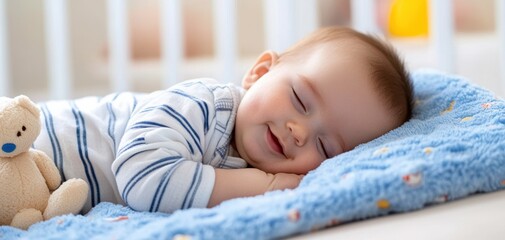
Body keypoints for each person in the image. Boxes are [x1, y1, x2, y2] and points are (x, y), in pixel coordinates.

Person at [33, 27, 413, 213]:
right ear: (260, 72)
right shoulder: (204, 105)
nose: (299, 132)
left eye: (325, 146)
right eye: (299, 98)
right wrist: (264, 185)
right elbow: (140, 177)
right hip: (33, 140)